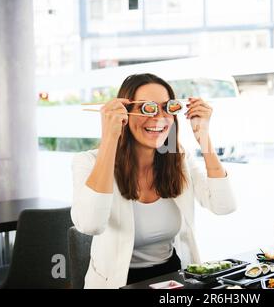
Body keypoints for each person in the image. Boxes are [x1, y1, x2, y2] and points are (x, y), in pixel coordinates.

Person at [71, 73, 236, 289]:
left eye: (167, 107)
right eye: (147, 108)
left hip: (172, 278)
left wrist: (204, 137)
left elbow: (224, 206)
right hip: (119, 282)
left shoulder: (179, 160)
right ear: (125, 113)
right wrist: (111, 137)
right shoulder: (88, 162)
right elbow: (90, 224)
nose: (159, 118)